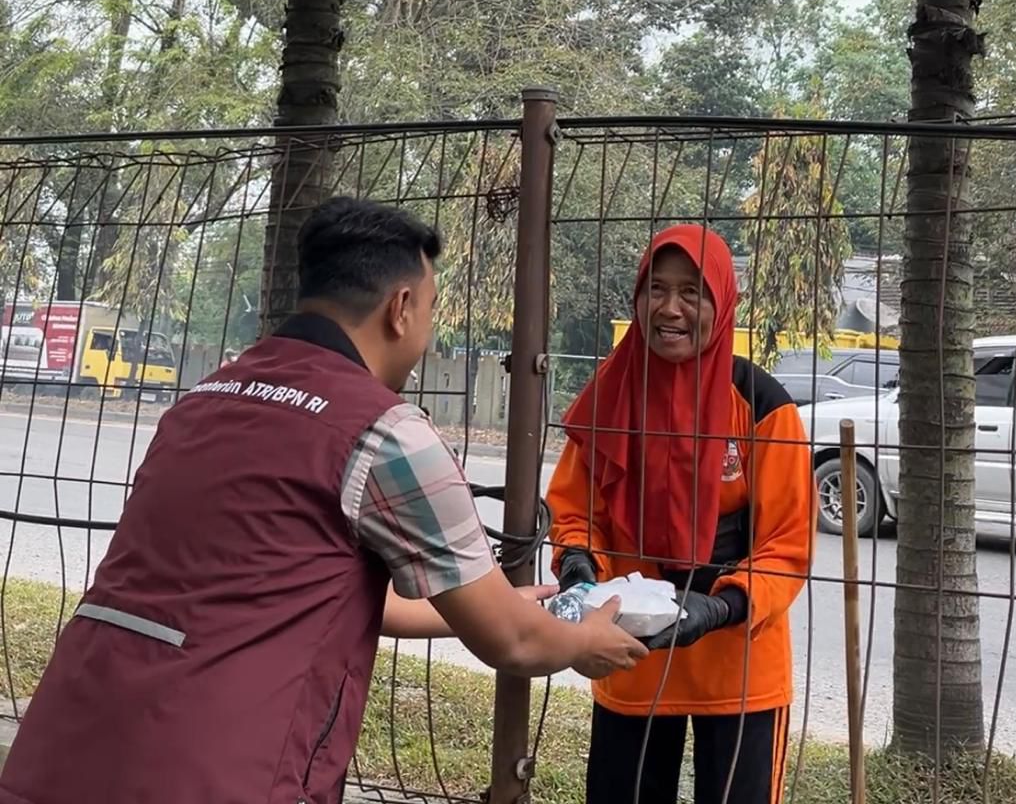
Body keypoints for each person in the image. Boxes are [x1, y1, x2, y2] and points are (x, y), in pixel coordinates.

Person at [0, 196, 645, 804]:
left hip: (65, 748)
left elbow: (299, 590)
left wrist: (490, 607)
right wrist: (577, 639)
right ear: (401, 308)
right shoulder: (388, 434)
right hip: (218, 774)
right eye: (430, 308)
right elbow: (514, 643)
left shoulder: (204, 401)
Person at [547, 224, 814, 804]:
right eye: (657, 289)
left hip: (740, 662)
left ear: (723, 302)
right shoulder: (610, 394)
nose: (670, 309)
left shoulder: (762, 405)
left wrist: (722, 606)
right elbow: (574, 509)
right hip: (633, 652)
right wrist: (577, 564)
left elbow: (788, 544)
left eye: (692, 292)